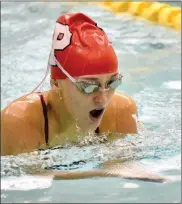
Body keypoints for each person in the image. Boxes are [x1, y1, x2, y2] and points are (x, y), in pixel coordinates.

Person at [1, 12, 172, 183]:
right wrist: (103, 173)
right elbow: (25, 176)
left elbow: (122, 166)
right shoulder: (18, 121)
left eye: (112, 83)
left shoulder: (121, 110)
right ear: (56, 84)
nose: (103, 99)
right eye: (88, 86)